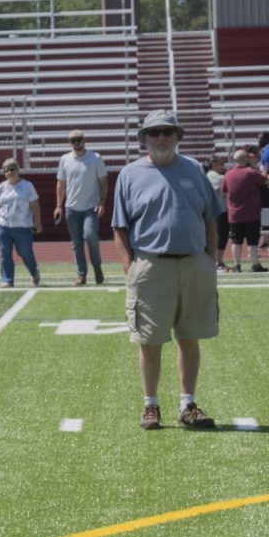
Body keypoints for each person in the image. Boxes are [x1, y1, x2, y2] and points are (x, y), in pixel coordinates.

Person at [112, 110, 219, 431]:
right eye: (154, 132)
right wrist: (129, 267)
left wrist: (210, 260)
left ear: (177, 136)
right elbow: (120, 226)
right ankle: (151, 405)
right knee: (150, 340)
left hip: (193, 263)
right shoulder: (129, 175)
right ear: (144, 138)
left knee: (190, 337)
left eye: (167, 132)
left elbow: (211, 217)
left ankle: (188, 403)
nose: (161, 137)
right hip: (151, 265)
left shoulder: (195, 170)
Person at [53, 129, 107, 286]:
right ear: (69, 143)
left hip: (91, 207)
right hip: (71, 208)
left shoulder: (96, 158)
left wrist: (102, 202)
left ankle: (97, 267)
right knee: (76, 243)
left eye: (79, 139)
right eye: (73, 140)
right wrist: (58, 206)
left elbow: (103, 182)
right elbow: (61, 184)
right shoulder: (65, 159)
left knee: (90, 235)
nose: (76, 143)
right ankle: (81, 274)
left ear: (84, 140)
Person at [0, 159, 42, 288]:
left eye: (12, 169)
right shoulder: (1, 187)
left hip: (22, 227)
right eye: (6, 170)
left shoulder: (27, 186)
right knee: (4, 253)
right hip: (3, 226)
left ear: (18, 170)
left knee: (25, 253)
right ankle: (7, 279)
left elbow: (35, 205)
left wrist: (37, 223)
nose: (9, 172)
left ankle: (34, 272)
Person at [221, 148, 269, 273]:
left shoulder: (228, 174)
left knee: (236, 241)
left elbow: (224, 191)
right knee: (253, 241)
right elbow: (264, 180)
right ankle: (255, 265)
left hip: (234, 214)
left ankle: (237, 265)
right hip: (251, 213)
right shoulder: (250, 172)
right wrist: (264, 171)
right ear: (246, 159)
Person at [204, 156, 231, 271]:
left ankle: (218, 261)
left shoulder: (215, 176)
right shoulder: (212, 175)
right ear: (214, 164)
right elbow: (223, 185)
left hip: (220, 210)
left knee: (222, 236)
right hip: (218, 211)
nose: (223, 166)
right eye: (221, 163)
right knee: (220, 236)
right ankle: (217, 261)